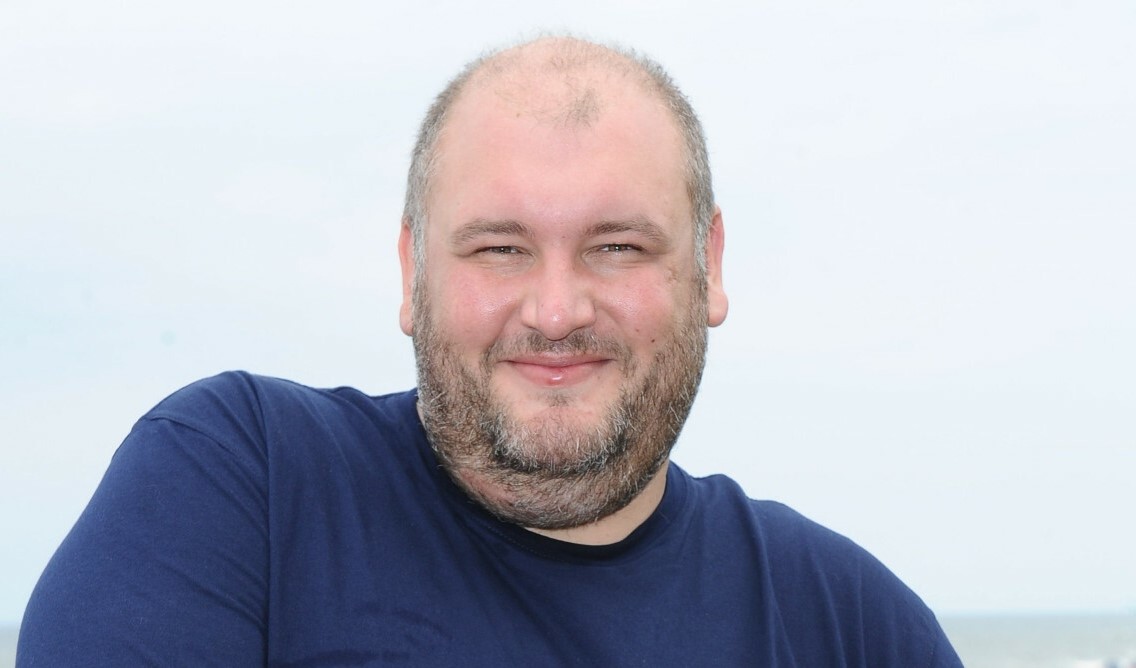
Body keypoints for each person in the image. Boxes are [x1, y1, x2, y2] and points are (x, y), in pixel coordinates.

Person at [18, 36, 962, 666]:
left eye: (617, 246)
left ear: (708, 265)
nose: (554, 312)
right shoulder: (242, 484)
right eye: (500, 249)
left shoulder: (850, 627)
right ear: (412, 270)